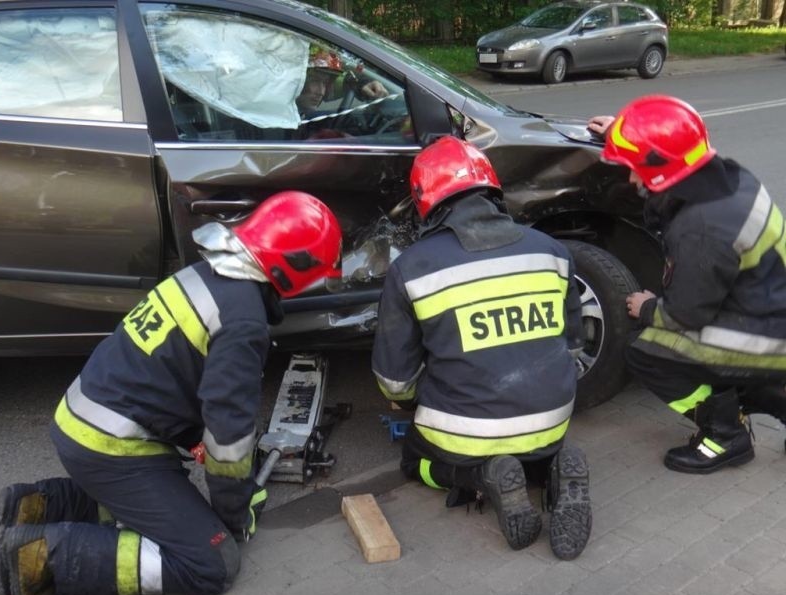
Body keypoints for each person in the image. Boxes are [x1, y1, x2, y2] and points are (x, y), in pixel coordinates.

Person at [0, 191, 342, 595]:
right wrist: (235, 511)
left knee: (165, 508)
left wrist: (192, 437)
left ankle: (35, 507)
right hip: (114, 446)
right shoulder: (243, 321)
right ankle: (38, 558)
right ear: (296, 267)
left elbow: (168, 373)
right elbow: (229, 440)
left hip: (83, 423)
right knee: (211, 563)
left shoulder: (206, 276)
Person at [371, 135, 592, 559]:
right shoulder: (552, 251)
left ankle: (480, 477)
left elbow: (394, 381)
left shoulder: (412, 268)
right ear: (491, 187)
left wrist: (420, 395)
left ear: (425, 199)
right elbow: (573, 347)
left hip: (466, 432)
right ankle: (551, 470)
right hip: (553, 420)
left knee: (416, 461)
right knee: (532, 445)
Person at [600, 94, 786, 474]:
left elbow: (686, 313)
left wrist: (648, 307)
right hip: (770, 312)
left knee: (647, 353)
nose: (632, 178)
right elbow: (672, 169)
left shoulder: (701, 228)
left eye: (635, 167)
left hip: (767, 337)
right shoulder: (728, 177)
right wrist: (625, 139)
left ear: (659, 169)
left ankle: (725, 435)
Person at [294, 47, 388, 139]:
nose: (322, 92)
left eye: (325, 83)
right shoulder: (281, 123)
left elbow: (344, 80)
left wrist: (361, 82)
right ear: (298, 78)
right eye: (315, 81)